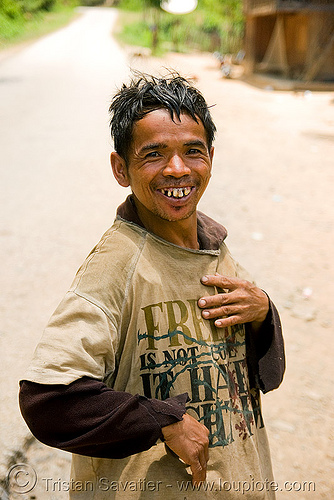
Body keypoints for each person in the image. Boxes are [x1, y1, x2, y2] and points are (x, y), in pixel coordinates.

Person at [19, 73, 285, 499]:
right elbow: (47, 401)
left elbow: (264, 377)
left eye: (192, 151)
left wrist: (262, 312)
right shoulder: (118, 265)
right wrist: (162, 420)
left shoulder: (216, 249)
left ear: (211, 157)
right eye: (154, 154)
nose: (177, 168)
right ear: (120, 169)